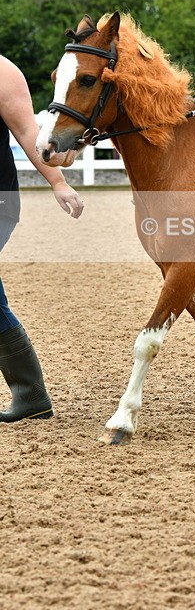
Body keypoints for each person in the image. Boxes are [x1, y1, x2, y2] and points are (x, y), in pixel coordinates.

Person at [0, 55, 84, 422]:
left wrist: (58, 182)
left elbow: (27, 134)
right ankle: (30, 395)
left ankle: (29, 393)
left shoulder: (2, 72)